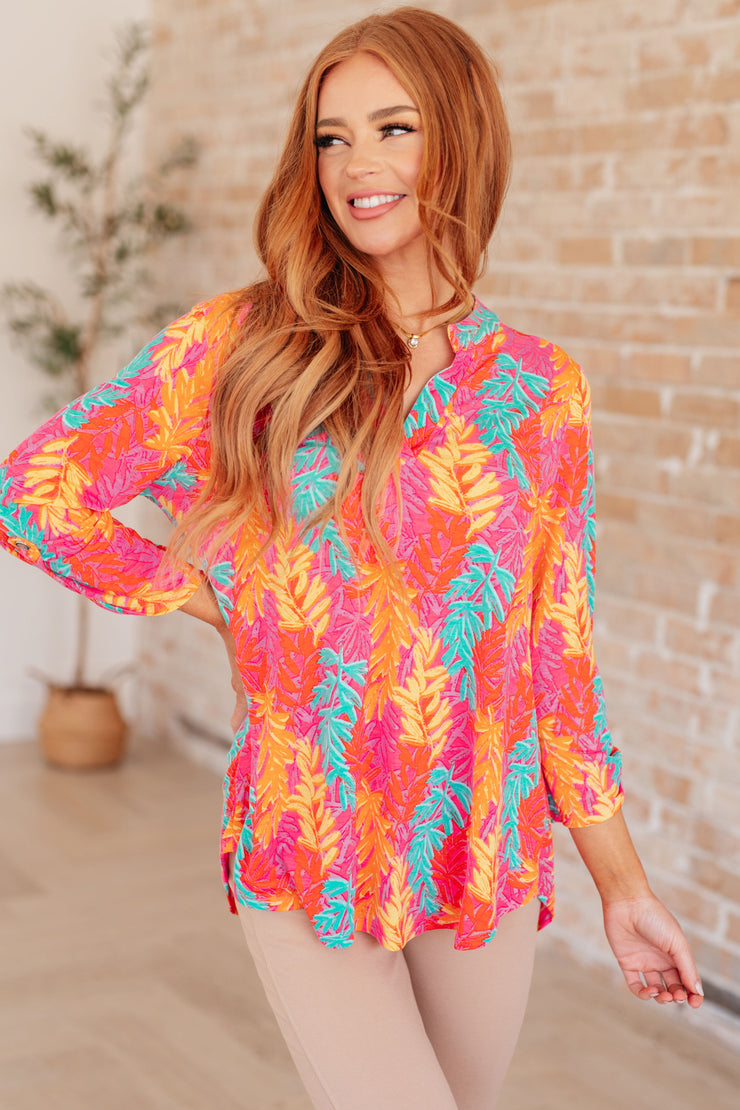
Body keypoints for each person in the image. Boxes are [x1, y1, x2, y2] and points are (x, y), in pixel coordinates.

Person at [0, 7, 704, 1109]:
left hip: (479, 845)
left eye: (393, 128)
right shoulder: (242, 345)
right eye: (331, 138)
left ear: (461, 139)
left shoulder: (538, 391)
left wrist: (623, 888)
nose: (356, 165)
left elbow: (558, 661)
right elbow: (36, 489)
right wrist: (207, 595)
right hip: (308, 833)